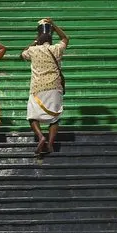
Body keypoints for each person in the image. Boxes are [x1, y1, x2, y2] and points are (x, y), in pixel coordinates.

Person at [21, 18, 69, 155]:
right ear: (51, 37)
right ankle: (50, 145)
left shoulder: (33, 50)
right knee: (55, 118)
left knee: (32, 116)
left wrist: (35, 42)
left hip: (37, 88)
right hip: (54, 87)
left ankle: (41, 137)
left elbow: (21, 55)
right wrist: (53, 24)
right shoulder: (56, 48)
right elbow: (65, 38)